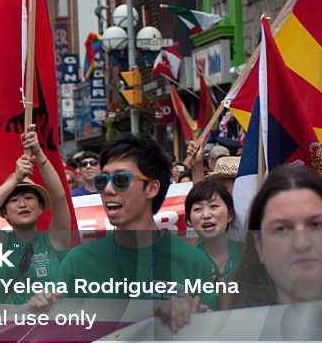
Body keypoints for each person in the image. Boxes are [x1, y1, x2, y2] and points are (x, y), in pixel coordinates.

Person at [53, 134, 217, 322]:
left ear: (152, 188)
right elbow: (63, 337)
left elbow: (214, 336)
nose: (108, 189)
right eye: (102, 180)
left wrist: (200, 317)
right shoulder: (78, 262)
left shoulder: (192, 261)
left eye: (120, 180)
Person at [0, 125, 72, 304]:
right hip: (6, 329)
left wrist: (39, 153)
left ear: (41, 207)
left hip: (48, 329)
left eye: (29, 198)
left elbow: (59, 197)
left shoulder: (55, 242)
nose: (22, 204)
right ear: (4, 213)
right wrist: (16, 178)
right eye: (14, 201)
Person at [225, 166, 322, 308]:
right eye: (281, 229)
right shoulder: (235, 327)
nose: (302, 243)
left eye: (316, 224)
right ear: (259, 246)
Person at [184, 180, 243, 280]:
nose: (206, 215)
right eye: (198, 209)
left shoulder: (250, 254)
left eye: (214, 206)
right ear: (189, 220)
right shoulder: (185, 264)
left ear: (230, 215)